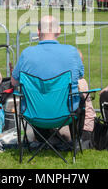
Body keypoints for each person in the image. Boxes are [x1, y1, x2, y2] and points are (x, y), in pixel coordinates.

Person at [11, 15, 85, 145]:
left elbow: (14, 82)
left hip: (34, 112)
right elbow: (80, 76)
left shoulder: (27, 54)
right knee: (80, 98)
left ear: (38, 32)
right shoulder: (72, 52)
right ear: (59, 30)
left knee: (35, 97)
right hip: (67, 111)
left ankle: (44, 139)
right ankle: (75, 141)